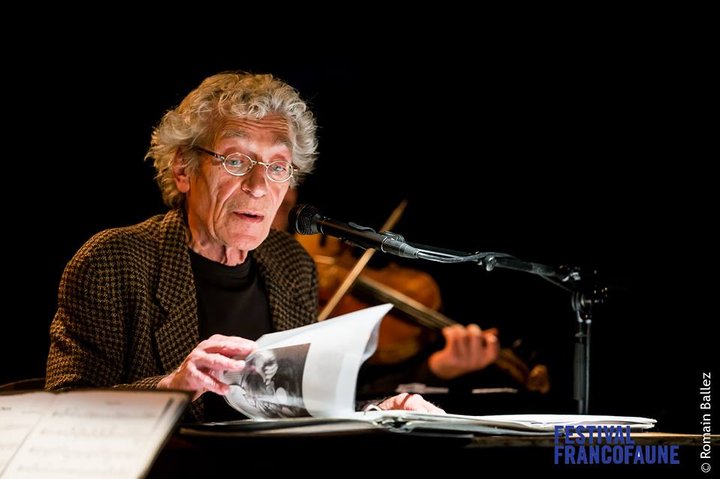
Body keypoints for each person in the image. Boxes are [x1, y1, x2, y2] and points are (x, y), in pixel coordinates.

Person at [45, 71, 443, 421]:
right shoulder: (113, 261)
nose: (258, 187)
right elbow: (65, 411)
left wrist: (378, 411)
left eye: (277, 167)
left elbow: (298, 409)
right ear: (183, 169)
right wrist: (173, 386)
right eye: (235, 161)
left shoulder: (291, 264)